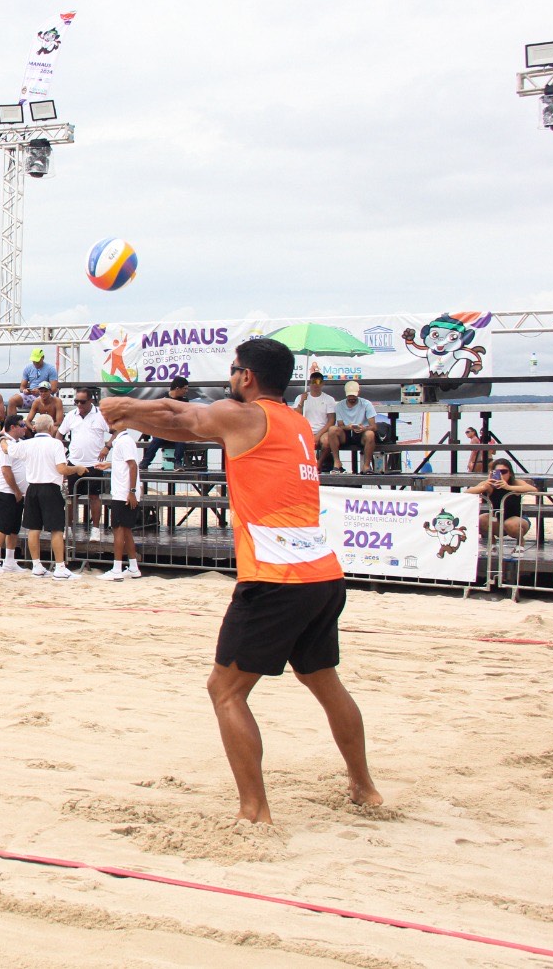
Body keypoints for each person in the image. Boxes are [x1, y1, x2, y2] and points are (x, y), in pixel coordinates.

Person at [100, 337, 381, 824]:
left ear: (247, 376)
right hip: (322, 574)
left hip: (276, 578)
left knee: (225, 690)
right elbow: (185, 419)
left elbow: (179, 418)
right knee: (325, 682)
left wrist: (119, 406)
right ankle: (365, 788)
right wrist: (129, 414)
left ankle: (255, 812)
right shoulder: (295, 421)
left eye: (233, 371)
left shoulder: (247, 415)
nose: (231, 379)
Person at [15, 414, 80, 580]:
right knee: (56, 529)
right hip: (50, 488)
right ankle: (60, 567)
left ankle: (36, 565)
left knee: (33, 528)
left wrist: (2, 439)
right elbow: (62, 469)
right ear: (51, 428)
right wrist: (77, 469)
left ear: (35, 427)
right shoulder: (55, 444)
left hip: (33, 488)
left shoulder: (27, 444)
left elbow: (8, 449)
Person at [60, 388, 112, 541]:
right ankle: (68, 528)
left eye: (82, 402)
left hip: (94, 463)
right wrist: (61, 451)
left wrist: (107, 447)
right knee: (71, 497)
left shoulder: (100, 415)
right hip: (75, 462)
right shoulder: (71, 415)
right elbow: (60, 433)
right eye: (76, 401)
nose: (79, 405)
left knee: (94, 496)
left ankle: (95, 529)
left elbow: (116, 431)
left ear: (91, 401)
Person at [466, 458, 538, 553]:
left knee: (510, 524)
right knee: (480, 519)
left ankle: (520, 543)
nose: (501, 475)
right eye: (497, 472)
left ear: (510, 473)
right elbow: (467, 492)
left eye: (504, 472)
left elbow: (533, 490)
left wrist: (508, 487)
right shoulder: (490, 484)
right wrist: (484, 487)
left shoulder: (515, 483)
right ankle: (492, 543)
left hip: (516, 518)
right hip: (497, 518)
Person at [0, 415, 29, 575]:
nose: (24, 427)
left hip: (18, 491)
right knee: (3, 526)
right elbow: (6, 470)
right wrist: (17, 490)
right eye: (21, 425)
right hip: (5, 490)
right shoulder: (7, 445)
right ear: (13, 427)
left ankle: (10, 560)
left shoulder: (18, 444)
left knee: (14, 528)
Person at [100, 426, 143, 580]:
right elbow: (127, 463)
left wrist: (131, 491)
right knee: (125, 530)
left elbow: (133, 465)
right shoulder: (122, 441)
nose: (108, 425)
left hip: (123, 493)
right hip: (124, 491)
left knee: (118, 529)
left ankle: (117, 568)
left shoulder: (124, 441)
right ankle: (133, 567)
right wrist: (110, 465)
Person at [324, 380, 378, 473]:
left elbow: (373, 426)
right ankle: (337, 462)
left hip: (362, 433)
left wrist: (364, 428)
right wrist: (348, 427)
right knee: (332, 429)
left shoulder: (366, 404)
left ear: (358, 393)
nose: (352, 398)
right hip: (346, 434)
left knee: (370, 434)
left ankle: (366, 466)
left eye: (353, 395)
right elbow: (340, 425)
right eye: (350, 396)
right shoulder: (340, 405)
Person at [140, 377, 193, 469]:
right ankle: (145, 462)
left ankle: (177, 463)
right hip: (163, 430)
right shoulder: (162, 399)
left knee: (181, 438)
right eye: (185, 388)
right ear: (177, 388)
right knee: (156, 439)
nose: (186, 391)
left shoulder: (184, 400)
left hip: (177, 431)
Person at [292, 373, 338, 471]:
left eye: (318, 382)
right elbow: (296, 416)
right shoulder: (301, 397)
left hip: (322, 431)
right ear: (309, 383)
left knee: (326, 441)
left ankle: (319, 463)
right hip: (305, 430)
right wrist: (301, 402)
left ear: (323, 384)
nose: (315, 385)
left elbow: (331, 420)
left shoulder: (329, 399)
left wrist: (318, 435)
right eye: (313, 382)